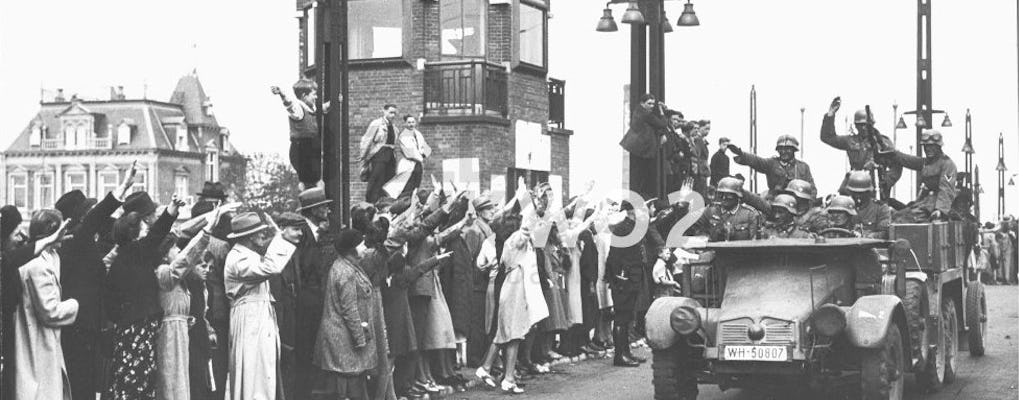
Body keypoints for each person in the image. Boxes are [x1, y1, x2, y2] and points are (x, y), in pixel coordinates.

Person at [56, 164, 136, 400]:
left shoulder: (83, 243)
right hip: (78, 326)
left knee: (86, 386)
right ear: (78, 217)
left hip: (87, 325)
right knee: (81, 387)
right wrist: (122, 188)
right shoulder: (74, 241)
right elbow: (95, 218)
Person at [104, 193, 183, 400]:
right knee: (142, 381)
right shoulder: (137, 252)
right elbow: (157, 235)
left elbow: (110, 305)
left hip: (125, 328)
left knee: (126, 379)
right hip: (141, 327)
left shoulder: (120, 260)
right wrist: (171, 212)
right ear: (136, 232)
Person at [223, 212, 299, 400]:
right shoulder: (238, 258)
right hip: (249, 319)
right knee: (254, 368)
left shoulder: (248, 254)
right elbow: (271, 268)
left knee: (262, 367)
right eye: (259, 233)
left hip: (257, 317)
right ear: (249, 237)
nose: (262, 236)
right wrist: (280, 238)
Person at [154, 206, 222, 400]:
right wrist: (206, 232)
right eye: (174, 248)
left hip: (180, 333)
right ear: (166, 253)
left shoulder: (176, 277)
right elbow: (185, 259)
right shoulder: (163, 272)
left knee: (180, 380)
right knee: (171, 380)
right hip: (169, 335)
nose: (178, 250)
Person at [280, 187, 338, 400]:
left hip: (312, 301)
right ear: (312, 210)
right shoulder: (303, 232)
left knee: (310, 350)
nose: (327, 210)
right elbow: (303, 270)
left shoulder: (314, 232)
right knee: (305, 351)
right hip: (305, 303)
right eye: (323, 207)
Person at [12, 209, 76, 400]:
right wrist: (74, 304)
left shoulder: (44, 257)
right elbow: (50, 312)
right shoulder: (38, 264)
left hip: (37, 337)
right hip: (39, 340)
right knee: (43, 389)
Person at [314, 229, 377, 399]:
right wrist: (360, 339)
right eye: (361, 244)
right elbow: (350, 309)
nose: (365, 247)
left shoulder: (345, 265)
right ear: (352, 249)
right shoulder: (346, 272)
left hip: (340, 336)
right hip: (343, 338)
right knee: (349, 386)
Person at [820, 98, 899, 198]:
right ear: (856, 126)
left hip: (875, 187)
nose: (863, 128)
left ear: (872, 124)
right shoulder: (850, 141)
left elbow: (897, 164)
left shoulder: (883, 142)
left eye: (866, 125)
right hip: (853, 186)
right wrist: (830, 115)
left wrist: (886, 181)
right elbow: (827, 137)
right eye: (860, 125)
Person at [888, 130, 959, 222]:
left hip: (937, 205)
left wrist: (939, 210)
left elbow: (946, 189)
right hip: (925, 202)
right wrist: (892, 154)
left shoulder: (947, 164)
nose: (928, 149)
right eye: (926, 146)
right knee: (897, 216)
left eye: (932, 146)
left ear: (939, 147)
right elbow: (907, 160)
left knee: (903, 220)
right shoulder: (926, 163)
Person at [273, 80, 323, 189]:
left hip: (310, 148)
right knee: (310, 181)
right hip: (302, 150)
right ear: (304, 96)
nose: (316, 97)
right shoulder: (298, 110)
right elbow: (289, 104)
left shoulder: (312, 108)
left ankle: (313, 200)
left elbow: (322, 108)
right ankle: (309, 202)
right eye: (313, 95)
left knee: (314, 180)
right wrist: (282, 94)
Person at [619, 94, 670, 199]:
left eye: (653, 104)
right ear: (642, 103)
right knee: (641, 176)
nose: (651, 106)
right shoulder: (645, 114)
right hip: (641, 149)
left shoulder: (640, 111)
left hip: (638, 148)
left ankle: (639, 196)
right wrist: (661, 110)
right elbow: (662, 124)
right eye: (649, 103)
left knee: (639, 175)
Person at [728, 134, 814, 195]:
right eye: (781, 149)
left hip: (797, 205)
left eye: (788, 149)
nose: (783, 152)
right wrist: (741, 154)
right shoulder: (772, 163)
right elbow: (756, 161)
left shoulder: (803, 167)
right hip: (775, 203)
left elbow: (812, 189)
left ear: (794, 150)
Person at [692, 177, 763, 241]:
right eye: (721, 194)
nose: (723, 198)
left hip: (741, 253)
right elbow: (692, 228)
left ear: (737, 196)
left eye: (728, 195)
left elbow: (754, 242)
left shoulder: (749, 214)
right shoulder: (710, 210)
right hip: (715, 252)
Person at [361, 103, 400, 202]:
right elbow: (367, 140)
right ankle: (371, 203)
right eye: (391, 112)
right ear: (384, 111)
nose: (393, 115)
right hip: (379, 156)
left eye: (395, 113)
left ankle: (383, 204)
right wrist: (364, 157)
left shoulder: (395, 128)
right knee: (376, 181)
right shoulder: (376, 124)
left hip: (390, 158)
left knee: (388, 183)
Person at [845, 170, 892, 239]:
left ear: (869, 192)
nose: (858, 196)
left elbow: (884, 233)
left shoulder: (880, 208)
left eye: (861, 193)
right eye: (854, 193)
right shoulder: (845, 206)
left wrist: (867, 236)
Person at [394, 115, 432, 199]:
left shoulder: (418, 134)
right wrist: (421, 154)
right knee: (408, 188)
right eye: (409, 122)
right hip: (408, 164)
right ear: (405, 124)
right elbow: (411, 153)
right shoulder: (404, 136)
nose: (411, 124)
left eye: (413, 122)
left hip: (418, 164)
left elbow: (427, 149)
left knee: (416, 186)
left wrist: (423, 153)